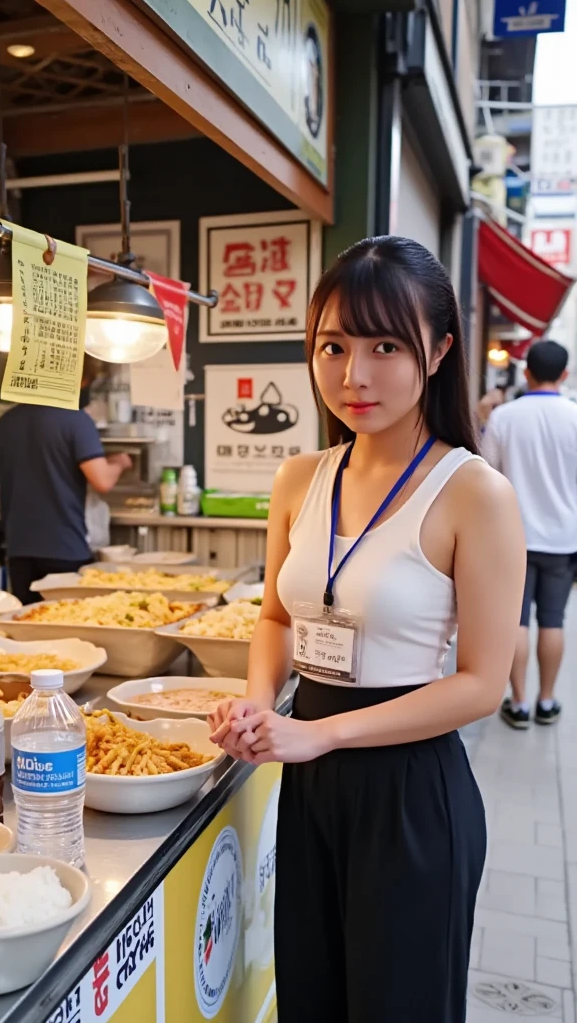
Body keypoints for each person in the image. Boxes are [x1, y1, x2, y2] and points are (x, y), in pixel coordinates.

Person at [208, 236, 525, 1022]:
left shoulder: (474, 493)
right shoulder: (299, 478)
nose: (354, 374)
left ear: (440, 348)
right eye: (333, 345)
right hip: (311, 783)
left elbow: (483, 683)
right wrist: (258, 704)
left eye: (386, 344)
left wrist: (324, 735)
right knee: (310, 999)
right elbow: (277, 616)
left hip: (411, 791)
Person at [483, 339, 577, 729]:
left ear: (527, 373)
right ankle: (548, 701)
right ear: (565, 375)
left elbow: (486, 473)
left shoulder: (505, 417)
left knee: (516, 622)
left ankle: (518, 702)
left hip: (513, 539)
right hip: (563, 540)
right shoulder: (575, 416)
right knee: (553, 621)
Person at [0, 389, 131, 604]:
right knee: (67, 626)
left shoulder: (6, 422)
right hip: (65, 548)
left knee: (28, 626)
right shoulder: (75, 420)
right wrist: (120, 462)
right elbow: (103, 480)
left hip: (19, 550)